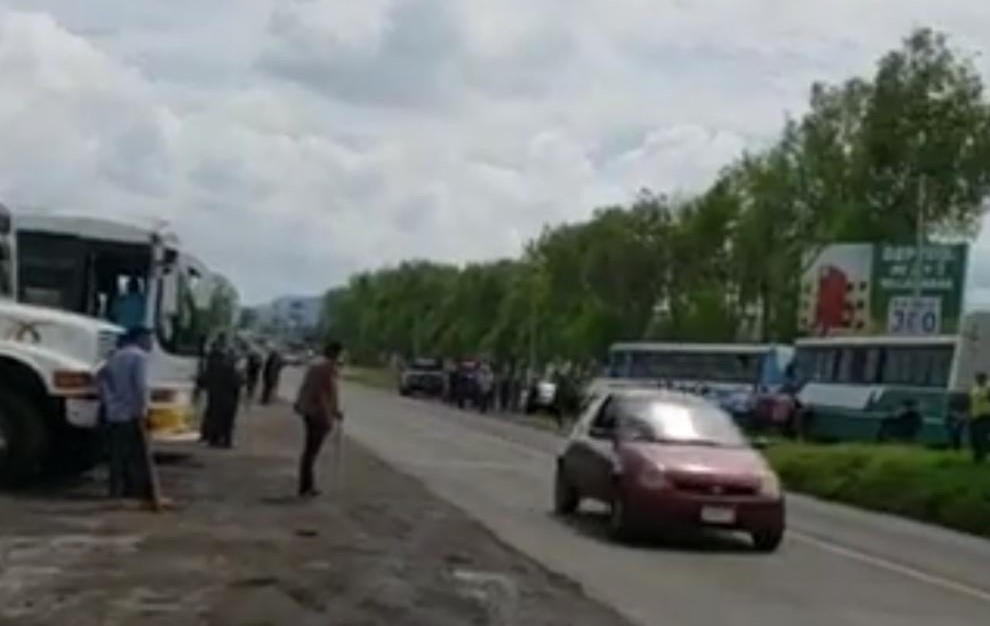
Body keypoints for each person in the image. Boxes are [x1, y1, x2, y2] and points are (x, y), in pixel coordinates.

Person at [96, 327, 164, 509]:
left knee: (117, 454)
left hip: (113, 412)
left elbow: (100, 378)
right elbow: (140, 386)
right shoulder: (138, 357)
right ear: (139, 339)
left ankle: (115, 489)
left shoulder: (115, 356)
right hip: (131, 413)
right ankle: (132, 490)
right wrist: (143, 410)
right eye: (149, 339)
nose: (150, 344)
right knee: (134, 454)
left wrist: (109, 400)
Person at [294, 341, 344, 498]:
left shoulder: (316, 366)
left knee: (309, 451)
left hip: (309, 412)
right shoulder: (326, 369)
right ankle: (306, 486)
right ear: (335, 354)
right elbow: (324, 395)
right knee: (311, 451)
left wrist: (334, 411)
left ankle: (307, 485)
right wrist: (330, 415)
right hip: (317, 414)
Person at [199, 334, 242, 448]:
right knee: (224, 420)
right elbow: (237, 384)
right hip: (226, 398)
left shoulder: (212, 360)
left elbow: (206, 377)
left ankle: (212, 438)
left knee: (213, 416)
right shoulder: (229, 369)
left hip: (217, 394)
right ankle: (221, 440)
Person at [968, 372, 990, 463]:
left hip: (984, 416)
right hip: (974, 415)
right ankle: (977, 456)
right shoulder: (974, 388)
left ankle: (983, 456)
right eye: (978, 378)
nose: (979, 380)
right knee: (974, 437)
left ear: (985, 379)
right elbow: (971, 401)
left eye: (981, 378)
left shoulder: (988, 388)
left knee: (982, 437)